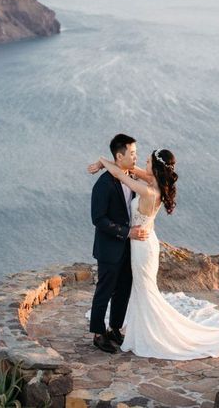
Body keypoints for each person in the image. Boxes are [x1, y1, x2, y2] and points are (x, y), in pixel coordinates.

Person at [88, 147, 219, 360]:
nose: (143, 164)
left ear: (155, 168)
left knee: (145, 291)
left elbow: (120, 174)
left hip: (141, 247)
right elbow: (135, 171)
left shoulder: (148, 190)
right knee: (141, 290)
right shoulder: (154, 183)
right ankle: (128, 329)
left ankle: (152, 333)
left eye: (147, 161)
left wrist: (102, 160)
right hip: (146, 243)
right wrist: (122, 165)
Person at [89, 133, 150, 354]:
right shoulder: (103, 184)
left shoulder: (130, 178)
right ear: (119, 155)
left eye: (136, 153)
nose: (135, 157)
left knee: (123, 289)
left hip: (129, 248)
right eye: (132, 154)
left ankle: (115, 328)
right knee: (104, 290)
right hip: (109, 248)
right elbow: (98, 219)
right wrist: (126, 233)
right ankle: (98, 333)